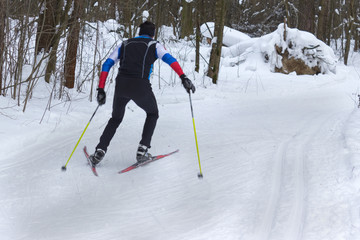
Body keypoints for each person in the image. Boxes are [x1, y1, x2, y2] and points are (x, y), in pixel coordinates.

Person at [89, 21, 195, 166]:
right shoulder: (154, 45)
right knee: (152, 114)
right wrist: (183, 77)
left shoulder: (125, 44)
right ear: (153, 34)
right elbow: (170, 60)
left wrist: (101, 89)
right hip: (140, 86)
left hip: (122, 85)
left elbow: (107, 63)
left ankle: (99, 152)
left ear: (139, 32)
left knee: (115, 118)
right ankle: (142, 151)